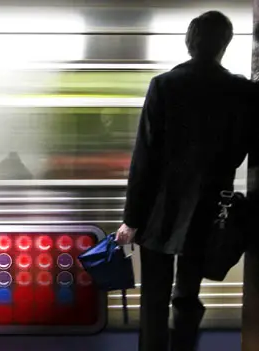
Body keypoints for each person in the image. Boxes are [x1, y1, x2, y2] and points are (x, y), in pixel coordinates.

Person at [115, 11, 256, 351]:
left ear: (189, 43)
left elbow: (144, 157)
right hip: (208, 210)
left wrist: (131, 219)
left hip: (158, 211)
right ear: (224, 44)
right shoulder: (241, 91)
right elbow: (242, 147)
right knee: (187, 295)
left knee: (154, 296)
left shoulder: (164, 85)